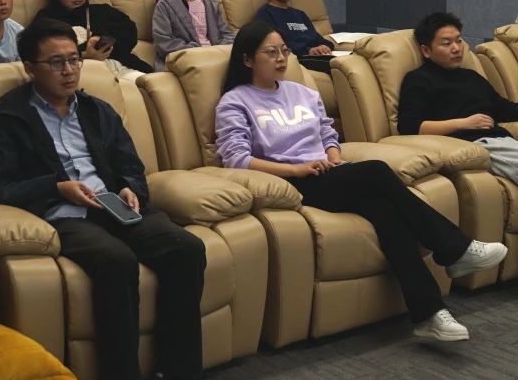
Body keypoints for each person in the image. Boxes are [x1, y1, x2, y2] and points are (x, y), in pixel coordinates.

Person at [215, 20, 507, 343]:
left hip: (328, 172)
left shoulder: (302, 92)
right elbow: (236, 158)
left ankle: (429, 314)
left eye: (284, 51)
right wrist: (296, 170)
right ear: (247, 60)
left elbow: (328, 134)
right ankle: (454, 248)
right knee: (377, 171)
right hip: (292, 181)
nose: (282, 58)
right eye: (271, 53)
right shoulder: (235, 101)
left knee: (386, 212)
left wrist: (333, 155)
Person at [0, 18, 206, 380]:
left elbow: (130, 164)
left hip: (114, 205)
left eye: (74, 60)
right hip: (64, 213)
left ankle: (170, 373)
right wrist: (55, 187)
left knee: (186, 248)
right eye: (56, 63)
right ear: (30, 68)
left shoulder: (97, 110)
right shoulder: (8, 118)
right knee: (116, 260)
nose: (68, 70)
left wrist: (131, 187)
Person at [399, 11, 518, 185]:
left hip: (502, 140)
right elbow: (409, 126)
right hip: (472, 144)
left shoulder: (472, 77)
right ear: (426, 51)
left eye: (459, 41)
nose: (456, 48)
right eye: (446, 43)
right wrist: (464, 123)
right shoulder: (418, 79)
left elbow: (503, 108)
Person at [33, 0, 152, 81]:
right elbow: (45, 54)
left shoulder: (102, 11)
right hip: (83, 74)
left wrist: (101, 39)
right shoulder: (46, 20)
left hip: (122, 66)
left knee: (150, 83)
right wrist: (84, 55)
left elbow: (130, 33)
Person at [255, 0, 334, 73]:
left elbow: (318, 39)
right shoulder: (265, 14)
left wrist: (324, 46)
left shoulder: (300, 15)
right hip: (297, 60)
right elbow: (276, 47)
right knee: (339, 67)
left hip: (316, 57)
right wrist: (309, 50)